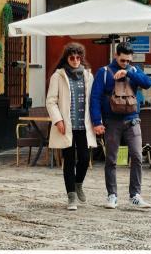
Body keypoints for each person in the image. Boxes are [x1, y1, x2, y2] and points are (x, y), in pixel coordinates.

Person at [90, 40, 151, 210]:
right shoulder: (103, 72)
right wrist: (97, 122)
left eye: (128, 60)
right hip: (112, 121)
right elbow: (94, 98)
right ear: (116, 55)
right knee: (111, 159)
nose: (125, 63)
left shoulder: (133, 70)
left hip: (132, 119)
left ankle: (135, 195)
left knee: (137, 157)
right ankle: (112, 195)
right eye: (122, 60)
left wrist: (129, 73)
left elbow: (148, 83)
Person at [46, 42, 97, 211]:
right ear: (66, 58)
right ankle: (71, 197)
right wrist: (58, 120)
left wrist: (98, 122)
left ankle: (78, 183)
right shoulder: (58, 76)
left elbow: (93, 101)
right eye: (72, 57)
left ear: (81, 58)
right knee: (69, 160)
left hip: (83, 125)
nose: (75, 60)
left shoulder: (88, 76)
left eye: (78, 57)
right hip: (66, 126)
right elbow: (51, 101)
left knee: (84, 158)